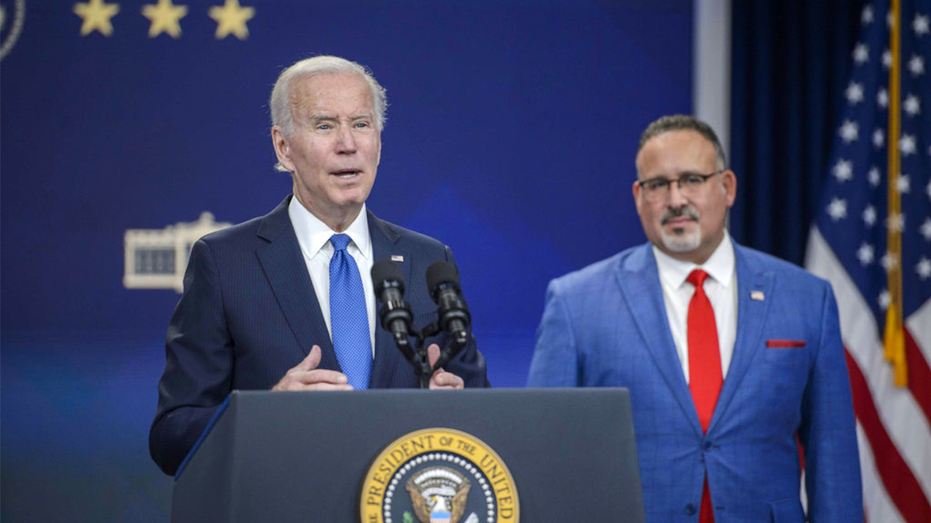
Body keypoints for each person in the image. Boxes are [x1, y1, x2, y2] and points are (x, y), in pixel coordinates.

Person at [150, 55, 489, 476]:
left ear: (379, 142)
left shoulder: (429, 260)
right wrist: (265, 414)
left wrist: (461, 410)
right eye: (325, 125)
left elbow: (484, 416)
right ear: (283, 146)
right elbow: (171, 435)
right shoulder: (225, 263)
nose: (348, 143)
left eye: (362, 124)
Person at [527, 115, 862, 522]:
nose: (675, 200)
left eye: (691, 180)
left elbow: (834, 460)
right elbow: (545, 457)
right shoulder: (576, 303)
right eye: (658, 185)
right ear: (638, 196)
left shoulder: (808, 298)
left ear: (727, 187)